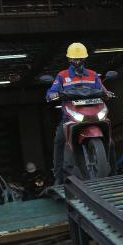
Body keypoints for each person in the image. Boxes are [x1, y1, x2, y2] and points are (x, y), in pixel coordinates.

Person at [46, 42, 110, 184]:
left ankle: (112, 169)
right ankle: (57, 176)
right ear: (69, 60)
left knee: (110, 139)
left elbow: (103, 89)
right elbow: (51, 91)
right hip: (71, 116)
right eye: (75, 59)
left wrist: (107, 93)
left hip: (93, 113)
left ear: (85, 59)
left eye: (80, 59)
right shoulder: (62, 76)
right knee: (59, 141)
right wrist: (52, 95)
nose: (77, 62)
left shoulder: (93, 75)